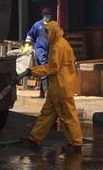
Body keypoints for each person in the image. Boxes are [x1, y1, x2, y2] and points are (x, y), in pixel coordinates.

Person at [25, 20, 82, 152]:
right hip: (56, 87)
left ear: (52, 32)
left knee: (68, 116)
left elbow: (53, 67)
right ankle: (34, 139)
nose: (45, 35)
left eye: (47, 32)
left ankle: (76, 143)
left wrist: (33, 71)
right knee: (47, 114)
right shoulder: (59, 43)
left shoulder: (58, 46)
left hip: (61, 87)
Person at [26, 8, 54, 99]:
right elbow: (30, 35)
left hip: (50, 51)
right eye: (46, 15)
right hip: (40, 50)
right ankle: (47, 93)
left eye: (49, 15)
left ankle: (42, 93)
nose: (47, 17)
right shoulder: (37, 25)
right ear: (43, 16)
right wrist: (26, 47)